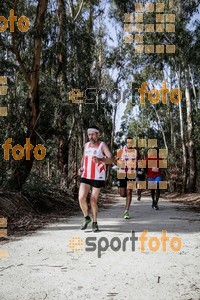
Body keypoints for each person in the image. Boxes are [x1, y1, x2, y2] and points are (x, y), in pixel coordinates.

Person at [78, 125, 114, 232]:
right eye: (89, 134)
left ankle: (95, 222)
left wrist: (100, 159)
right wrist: (81, 167)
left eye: (93, 134)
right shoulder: (86, 145)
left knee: (93, 200)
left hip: (98, 177)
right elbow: (83, 158)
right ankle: (86, 218)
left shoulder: (102, 145)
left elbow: (111, 159)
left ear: (98, 134)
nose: (90, 137)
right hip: (85, 175)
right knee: (81, 198)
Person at [116, 137, 140, 219]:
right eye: (128, 142)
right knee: (123, 194)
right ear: (126, 143)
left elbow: (139, 162)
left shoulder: (136, 151)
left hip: (131, 174)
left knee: (129, 192)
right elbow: (116, 160)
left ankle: (126, 211)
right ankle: (120, 188)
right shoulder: (120, 151)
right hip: (122, 173)